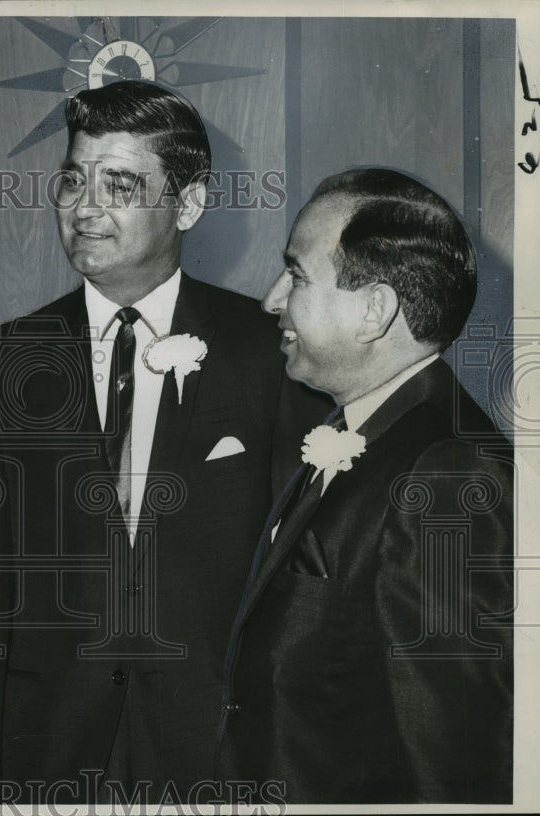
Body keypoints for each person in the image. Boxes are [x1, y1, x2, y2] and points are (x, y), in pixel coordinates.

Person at [0, 80, 326, 806]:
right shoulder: (3, 361)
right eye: (73, 180)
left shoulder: (267, 353)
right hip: (42, 753)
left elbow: (301, 579)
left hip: (216, 753)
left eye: (118, 185)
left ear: (189, 202)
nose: (84, 208)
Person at [214, 168, 514, 803]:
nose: (270, 300)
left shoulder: (446, 474)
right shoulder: (377, 431)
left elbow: (451, 758)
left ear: (375, 310)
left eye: (295, 275)